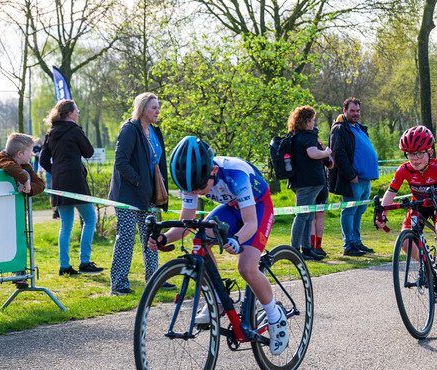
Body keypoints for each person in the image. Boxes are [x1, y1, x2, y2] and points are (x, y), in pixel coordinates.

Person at [148, 136, 289, 355]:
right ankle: (219, 298)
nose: (196, 193)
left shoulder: (236, 174)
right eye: (190, 190)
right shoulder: (194, 180)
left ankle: (275, 316)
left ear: (212, 171)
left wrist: (237, 240)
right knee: (200, 234)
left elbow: (251, 223)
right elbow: (186, 224)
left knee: (246, 267)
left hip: (258, 208)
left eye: (200, 187)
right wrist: (164, 238)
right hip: (232, 208)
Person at [374, 126, 437, 301]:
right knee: (406, 241)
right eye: (411, 154)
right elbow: (390, 193)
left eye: (420, 153)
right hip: (419, 205)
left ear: (430, 151)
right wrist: (382, 212)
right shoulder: (404, 170)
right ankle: (427, 265)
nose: (415, 158)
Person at [108, 92, 169, 295]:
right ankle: (118, 284)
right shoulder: (130, 129)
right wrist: (138, 180)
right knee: (126, 237)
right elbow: (121, 162)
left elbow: (158, 162)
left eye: (158, 107)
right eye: (153, 107)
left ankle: (154, 278)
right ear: (142, 108)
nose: (157, 111)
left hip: (148, 194)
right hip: (127, 194)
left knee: (152, 235)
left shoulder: (155, 131)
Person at [39, 99, 103, 276]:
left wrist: (57, 172)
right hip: (76, 180)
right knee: (90, 219)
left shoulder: (51, 132)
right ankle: (84, 261)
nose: (79, 113)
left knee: (65, 226)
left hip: (59, 184)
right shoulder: (74, 129)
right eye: (77, 110)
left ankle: (64, 265)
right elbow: (89, 152)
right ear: (69, 113)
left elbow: (42, 160)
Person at [329, 97, 379, 256]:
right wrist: (351, 175)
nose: (356, 114)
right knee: (349, 211)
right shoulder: (339, 129)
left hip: (366, 179)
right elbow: (338, 154)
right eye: (352, 111)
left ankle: (357, 241)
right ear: (345, 111)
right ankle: (348, 245)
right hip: (354, 179)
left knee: (360, 210)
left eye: (358, 111)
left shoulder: (359, 128)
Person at [286, 106, 332, 261]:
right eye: (312, 119)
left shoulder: (296, 136)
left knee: (308, 215)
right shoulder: (308, 136)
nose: (314, 122)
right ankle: (295, 249)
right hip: (309, 182)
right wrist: (326, 153)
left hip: (301, 181)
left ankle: (306, 248)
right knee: (302, 216)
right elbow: (312, 153)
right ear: (305, 121)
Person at [0, 133, 45, 198]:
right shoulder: (3, 161)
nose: (31, 154)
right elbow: (10, 166)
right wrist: (26, 181)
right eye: (30, 151)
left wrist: (27, 187)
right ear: (20, 154)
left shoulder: (25, 165)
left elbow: (40, 184)